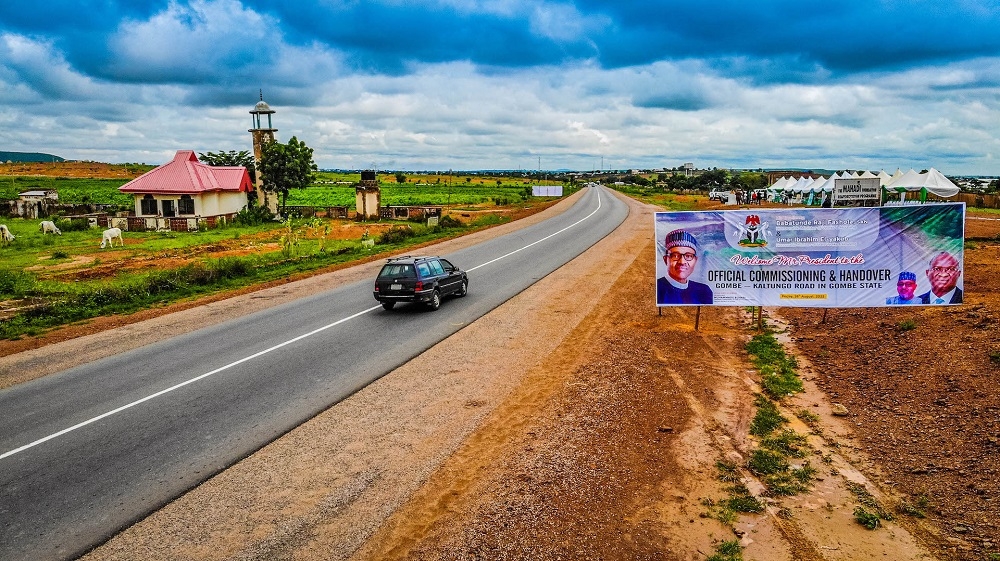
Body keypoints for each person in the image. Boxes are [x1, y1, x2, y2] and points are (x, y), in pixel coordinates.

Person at [657, 229, 713, 305]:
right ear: (666, 259)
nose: (682, 262)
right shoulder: (657, 289)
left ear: (695, 261)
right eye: (675, 256)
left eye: (688, 256)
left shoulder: (704, 291)